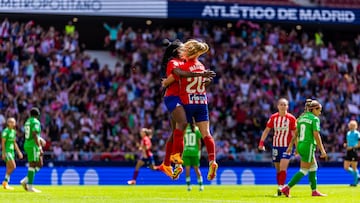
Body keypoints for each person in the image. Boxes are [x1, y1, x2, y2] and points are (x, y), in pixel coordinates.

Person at [158, 39, 215, 180]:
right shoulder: (175, 62)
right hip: (174, 97)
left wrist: (204, 80)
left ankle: (169, 164)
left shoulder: (187, 63)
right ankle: (174, 160)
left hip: (186, 98)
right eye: (182, 49)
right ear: (177, 51)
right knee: (182, 125)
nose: (184, 50)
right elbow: (177, 75)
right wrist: (201, 75)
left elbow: (186, 76)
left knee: (177, 132)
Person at [177, 39, 218, 181]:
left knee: (180, 133)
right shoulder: (201, 66)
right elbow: (202, 83)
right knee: (206, 133)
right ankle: (212, 161)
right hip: (201, 102)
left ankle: (178, 164)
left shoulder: (184, 66)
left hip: (187, 101)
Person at [281, 100, 327, 197]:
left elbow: (295, 134)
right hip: (308, 145)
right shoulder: (314, 119)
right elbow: (316, 135)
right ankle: (286, 188)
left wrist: (291, 146)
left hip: (301, 145)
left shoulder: (301, 118)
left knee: (314, 167)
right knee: (304, 170)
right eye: (319, 110)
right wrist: (322, 150)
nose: (320, 113)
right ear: (314, 109)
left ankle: (314, 191)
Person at [258, 98, 297, 196]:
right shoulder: (273, 117)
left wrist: (297, 148)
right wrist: (261, 143)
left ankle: (281, 188)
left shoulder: (291, 118)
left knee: (283, 168)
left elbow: (294, 134)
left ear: (288, 106)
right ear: (278, 106)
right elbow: (266, 130)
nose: (283, 106)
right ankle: (280, 188)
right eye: (281, 104)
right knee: (278, 169)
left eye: (285, 104)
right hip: (276, 146)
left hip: (287, 147)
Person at [20, 107, 43, 193]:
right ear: (38, 115)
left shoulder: (27, 121)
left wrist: (40, 140)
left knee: (40, 163)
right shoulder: (35, 121)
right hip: (32, 145)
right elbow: (34, 134)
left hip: (28, 144)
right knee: (32, 165)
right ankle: (30, 187)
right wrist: (40, 146)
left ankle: (25, 180)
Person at [1, 117, 23, 190]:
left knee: (9, 167)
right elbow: (3, 143)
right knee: (13, 166)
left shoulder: (13, 132)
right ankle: (5, 181)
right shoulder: (5, 131)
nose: (12, 123)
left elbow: (14, 143)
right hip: (7, 151)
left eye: (13, 122)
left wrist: (19, 152)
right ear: (7, 123)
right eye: (10, 122)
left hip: (12, 151)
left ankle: (6, 184)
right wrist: (3, 153)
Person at [183, 120, 204, 191]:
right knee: (197, 169)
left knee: (187, 170)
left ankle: (189, 186)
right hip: (194, 152)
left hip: (186, 152)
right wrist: (199, 152)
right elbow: (199, 143)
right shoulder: (196, 129)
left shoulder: (184, 129)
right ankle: (201, 185)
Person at [343, 120, 360, 186]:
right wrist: (346, 145)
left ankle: (355, 183)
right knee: (346, 167)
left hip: (354, 151)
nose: (351, 126)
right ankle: (358, 176)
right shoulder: (348, 133)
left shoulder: (357, 133)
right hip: (348, 151)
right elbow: (348, 142)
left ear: (356, 126)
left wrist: (352, 147)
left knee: (354, 167)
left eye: (353, 125)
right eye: (350, 125)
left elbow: (359, 144)